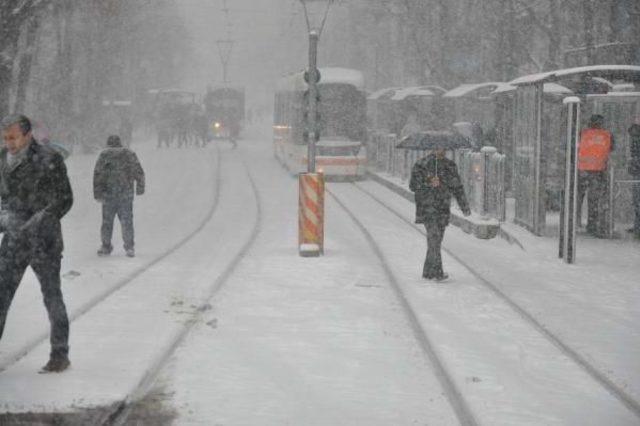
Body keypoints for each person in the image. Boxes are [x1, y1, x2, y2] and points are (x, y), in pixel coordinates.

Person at [0, 114, 73, 373]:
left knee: (52, 296)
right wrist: (4, 219)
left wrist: (43, 217)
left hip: (45, 241)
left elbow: (65, 198)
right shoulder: (1, 161)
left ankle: (60, 354)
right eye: (5, 137)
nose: (8, 143)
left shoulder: (49, 159)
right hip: (13, 241)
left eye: (13, 137)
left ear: (28, 135)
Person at [409, 148, 471, 281]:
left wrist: (464, 205)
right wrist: (428, 182)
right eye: (437, 148)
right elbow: (413, 185)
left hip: (442, 209)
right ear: (432, 149)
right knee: (434, 238)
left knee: (435, 241)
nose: (440, 151)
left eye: (442, 148)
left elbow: (457, 187)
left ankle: (428, 271)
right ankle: (437, 272)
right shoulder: (422, 165)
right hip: (427, 208)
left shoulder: (450, 166)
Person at [93, 135, 145, 257]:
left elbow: (98, 175)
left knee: (107, 222)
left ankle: (106, 246)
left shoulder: (104, 155)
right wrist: (140, 187)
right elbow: (139, 171)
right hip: (125, 193)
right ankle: (129, 246)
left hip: (108, 195)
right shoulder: (129, 154)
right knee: (127, 221)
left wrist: (97, 193)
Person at [576, 114, 614, 237]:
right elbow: (611, 150)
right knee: (595, 201)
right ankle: (592, 225)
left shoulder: (582, 133)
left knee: (577, 199)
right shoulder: (607, 135)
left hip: (582, 170)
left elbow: (575, 149)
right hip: (598, 171)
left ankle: (574, 222)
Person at [628, 123, 640, 238]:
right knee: (636, 202)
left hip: (637, 174)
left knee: (637, 202)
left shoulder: (636, 143)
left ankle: (637, 226)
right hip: (636, 173)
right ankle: (637, 225)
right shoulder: (635, 143)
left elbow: (635, 159)